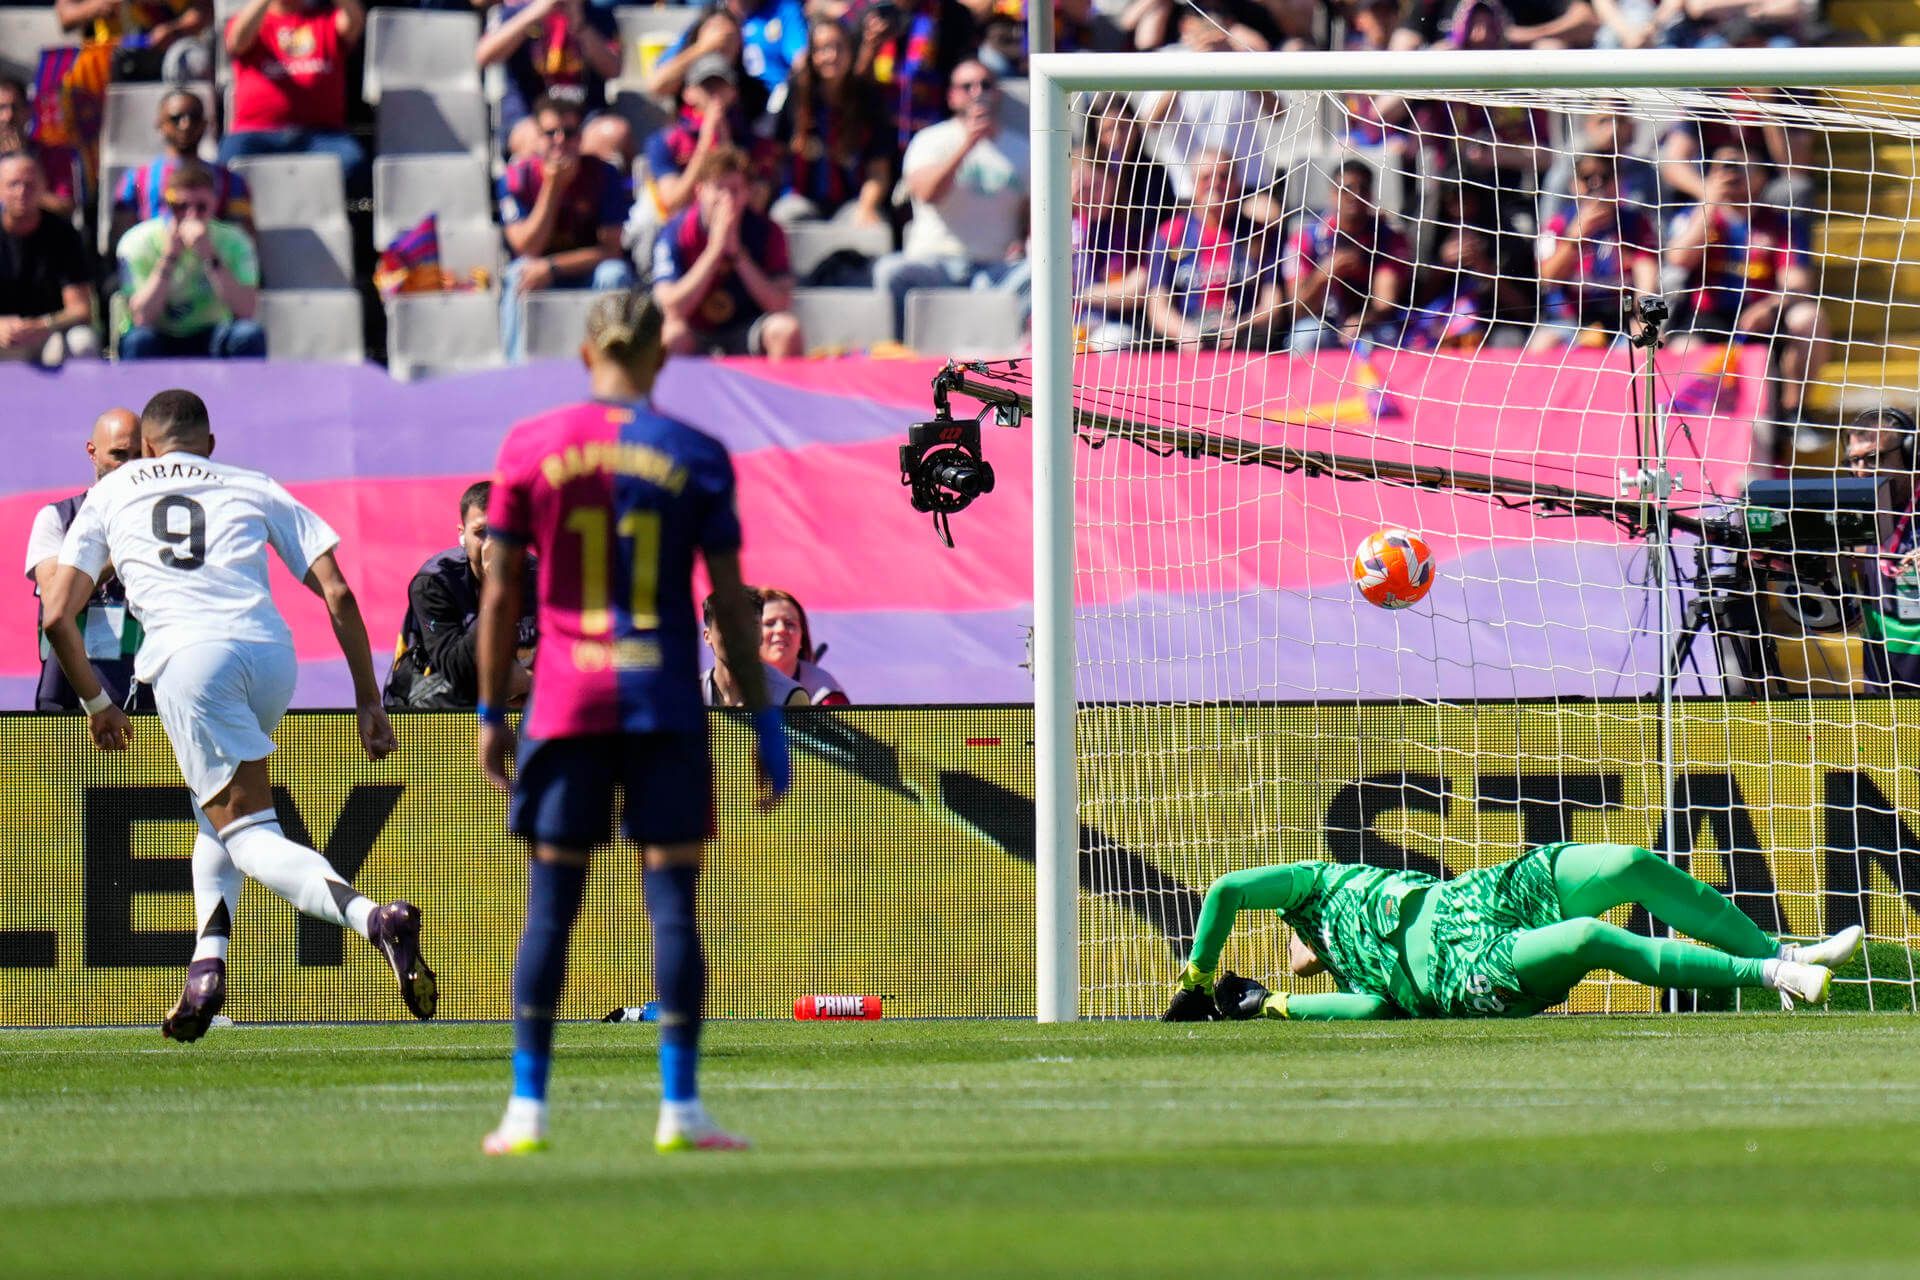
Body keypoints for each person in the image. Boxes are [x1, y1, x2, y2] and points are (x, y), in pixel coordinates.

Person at [474, 289, 792, 1156]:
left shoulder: (529, 447)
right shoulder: (697, 453)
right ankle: (680, 1110)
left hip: (564, 704)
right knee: (673, 905)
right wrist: (767, 724)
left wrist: (491, 712)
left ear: (586, 354)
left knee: (550, 909)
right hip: (662, 704)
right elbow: (731, 604)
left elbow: (499, 594)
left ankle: (527, 1111)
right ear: (662, 356)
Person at [41, 389, 438, 1043]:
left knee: (250, 835)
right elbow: (338, 591)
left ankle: (374, 919)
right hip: (270, 655)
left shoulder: (111, 493)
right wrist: (369, 698)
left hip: (192, 660)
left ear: (146, 447)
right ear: (210, 444)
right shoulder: (251, 483)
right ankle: (206, 967)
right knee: (218, 814)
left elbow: (57, 615)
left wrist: (96, 702)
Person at [1163, 842, 1865, 1023]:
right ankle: (1775, 977)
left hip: (1472, 898)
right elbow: (1369, 1010)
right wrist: (1275, 1004)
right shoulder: (1360, 979)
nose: (1294, 952)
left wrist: (1197, 978)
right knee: (1590, 938)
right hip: (1460, 974)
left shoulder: (1313, 886)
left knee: (1630, 863)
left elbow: (1226, 890)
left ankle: (1779, 950)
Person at [1664, 147, 1826, 438]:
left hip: (1761, 317)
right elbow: (1679, 258)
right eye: (1722, 168)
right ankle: (1688, 429)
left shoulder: (1780, 224)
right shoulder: (1696, 216)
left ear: (1761, 177)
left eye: (1739, 167)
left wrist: (1770, 307)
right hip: (1708, 316)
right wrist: (1709, 203)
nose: (1730, 175)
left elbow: (1798, 283)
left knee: (1809, 318)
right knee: (1681, 352)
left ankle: (1794, 414)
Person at [871, 60, 1029, 336]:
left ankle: (1019, 352)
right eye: (967, 86)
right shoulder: (929, 141)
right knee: (890, 271)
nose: (977, 92)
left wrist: (1024, 242)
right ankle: (899, 352)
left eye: (986, 85)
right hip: (935, 265)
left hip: (995, 271)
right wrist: (968, 144)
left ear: (998, 94)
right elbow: (927, 193)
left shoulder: (1024, 149)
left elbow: (1031, 213)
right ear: (952, 96)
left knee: (1042, 274)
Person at [22, 408, 150, 713]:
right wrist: (117, 556)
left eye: (138, 456)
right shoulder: (57, 518)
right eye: (119, 455)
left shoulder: (160, 525)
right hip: (69, 704)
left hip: (148, 705)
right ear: (92, 452)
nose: (129, 466)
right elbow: (56, 599)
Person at [499, 96, 638, 363]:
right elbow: (527, 247)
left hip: (585, 271)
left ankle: (616, 366)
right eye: (550, 133)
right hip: (537, 272)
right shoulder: (516, 179)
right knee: (518, 275)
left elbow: (611, 250)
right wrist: (552, 188)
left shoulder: (603, 174)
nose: (560, 140)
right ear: (537, 137)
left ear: (581, 137)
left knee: (615, 274)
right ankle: (515, 370)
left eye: (570, 132)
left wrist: (553, 267)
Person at [383, 480, 537, 710]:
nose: (492, 544)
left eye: (502, 531)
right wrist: (497, 588)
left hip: (514, 693)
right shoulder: (434, 582)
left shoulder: (539, 577)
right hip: (433, 696)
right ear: (462, 535)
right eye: (481, 532)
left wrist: (529, 682)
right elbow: (456, 669)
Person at [652, 144, 803, 357]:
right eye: (718, 189)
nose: (725, 199)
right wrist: (714, 252)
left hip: (747, 327)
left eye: (734, 190)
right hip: (695, 330)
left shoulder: (768, 231)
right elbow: (671, 307)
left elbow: (779, 303)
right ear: (700, 191)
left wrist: (738, 255)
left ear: (747, 193)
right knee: (671, 336)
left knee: (785, 330)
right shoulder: (675, 231)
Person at [117, 162, 267, 360]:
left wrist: (210, 256)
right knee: (138, 341)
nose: (191, 214)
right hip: (159, 334)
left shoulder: (236, 241)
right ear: (167, 205)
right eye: (180, 207)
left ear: (214, 203)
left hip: (212, 332)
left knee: (248, 335)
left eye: (201, 207)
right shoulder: (137, 242)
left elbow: (246, 310)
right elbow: (141, 317)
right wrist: (170, 256)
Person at [221, 0, 369, 197]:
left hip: (321, 135)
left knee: (353, 164)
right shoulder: (251, 22)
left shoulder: (326, 20)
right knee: (226, 170)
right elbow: (237, 40)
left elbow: (354, 22)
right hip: (255, 134)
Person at [1141, 149, 1282, 351]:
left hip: (1244, 340)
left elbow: (1273, 305)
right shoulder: (1169, 235)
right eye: (1206, 177)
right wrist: (1184, 332)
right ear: (1193, 182)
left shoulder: (1259, 234)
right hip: (1187, 341)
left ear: (1237, 182)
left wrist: (1240, 327)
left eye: (1223, 176)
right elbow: (1157, 308)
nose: (1215, 183)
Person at [1529, 153, 1660, 350]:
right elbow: (1546, 278)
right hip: (1570, 320)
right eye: (1587, 177)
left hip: (1620, 319)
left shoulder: (1637, 224)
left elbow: (1648, 284)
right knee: (1541, 345)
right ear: (1574, 184)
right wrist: (1576, 238)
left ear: (1618, 182)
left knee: (1649, 343)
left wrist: (1648, 324)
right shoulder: (1558, 224)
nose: (1596, 184)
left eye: (1605, 176)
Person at [769, 18, 893, 227]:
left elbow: (878, 171)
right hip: (801, 199)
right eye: (823, 49)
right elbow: (777, 156)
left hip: (852, 202)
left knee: (873, 228)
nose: (832, 56)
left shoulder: (867, 99)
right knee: (782, 219)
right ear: (812, 55)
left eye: (839, 47)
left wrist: (866, 208)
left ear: (851, 51)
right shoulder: (797, 95)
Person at [1283, 159, 1411, 352]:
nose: (1355, 196)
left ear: (1371, 195)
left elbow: (1385, 301)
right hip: (1324, 323)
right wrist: (1324, 274)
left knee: (1384, 337)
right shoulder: (1306, 238)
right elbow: (1296, 308)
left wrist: (1363, 321)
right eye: (1347, 189)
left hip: (1370, 323)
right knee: (1305, 336)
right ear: (1333, 194)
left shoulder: (1389, 238)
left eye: (1363, 189)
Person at [110, 90, 254, 253]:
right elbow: (122, 245)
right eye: (175, 118)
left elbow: (243, 243)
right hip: (153, 265)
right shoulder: (135, 179)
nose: (185, 124)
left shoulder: (232, 181)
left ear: (205, 124)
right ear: (160, 125)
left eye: (194, 117)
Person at [474, 0, 621, 156]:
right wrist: (533, 14)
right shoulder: (513, 13)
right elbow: (484, 56)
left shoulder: (599, 16)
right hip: (528, 116)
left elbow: (614, 70)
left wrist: (580, 25)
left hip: (586, 119)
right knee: (534, 139)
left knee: (614, 133)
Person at [1846, 408, 1920, 695]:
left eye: (1875, 458)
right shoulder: (1856, 513)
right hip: (1882, 679)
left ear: (1911, 455)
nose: (1863, 470)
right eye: (1855, 460)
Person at [0, 152, 98, 367]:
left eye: (29, 184)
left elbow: (81, 308)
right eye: (13, 184)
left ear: (43, 187)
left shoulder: (64, 234)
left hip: (49, 333)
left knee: (83, 343)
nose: (21, 192)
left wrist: (43, 325)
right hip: (4, 335)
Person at [700, 588, 808, 707]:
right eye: (727, 625)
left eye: (751, 625)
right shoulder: (691, 695)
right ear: (707, 636)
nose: (740, 634)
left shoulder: (789, 696)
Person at [55, 0, 212, 81]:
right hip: (108, 67)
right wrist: (95, 7)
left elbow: (205, 10)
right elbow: (65, 16)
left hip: (169, 64)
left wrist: (175, 30)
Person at [0, 76, 79, 219]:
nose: (8, 116)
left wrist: (23, 162)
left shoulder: (53, 155)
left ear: (28, 112)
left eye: (15, 107)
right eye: (1, 108)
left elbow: (65, 206)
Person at [757, 587, 847, 704]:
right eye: (769, 623)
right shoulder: (735, 687)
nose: (781, 629)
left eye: (790, 624)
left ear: (802, 636)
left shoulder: (825, 692)